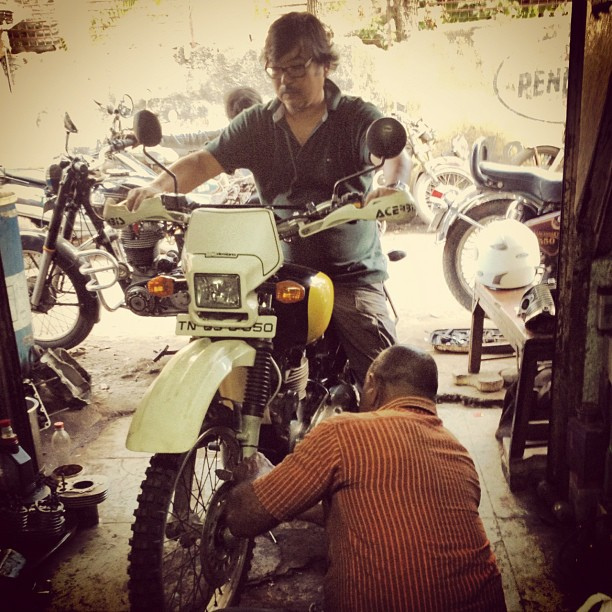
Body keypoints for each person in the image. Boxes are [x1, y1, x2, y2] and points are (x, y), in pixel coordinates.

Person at [125, 11, 412, 386]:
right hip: (275, 268)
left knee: (387, 380)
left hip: (349, 274)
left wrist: (394, 186)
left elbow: (393, 155)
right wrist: (157, 188)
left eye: (296, 68)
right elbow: (203, 162)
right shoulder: (257, 123)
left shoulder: (355, 117)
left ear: (324, 65)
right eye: (275, 70)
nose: (284, 81)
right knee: (225, 339)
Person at [224, 344, 507, 612]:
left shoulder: (343, 431)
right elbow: (384, 513)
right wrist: (287, 494)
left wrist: (258, 477)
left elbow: (242, 519)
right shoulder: (459, 453)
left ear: (372, 383)